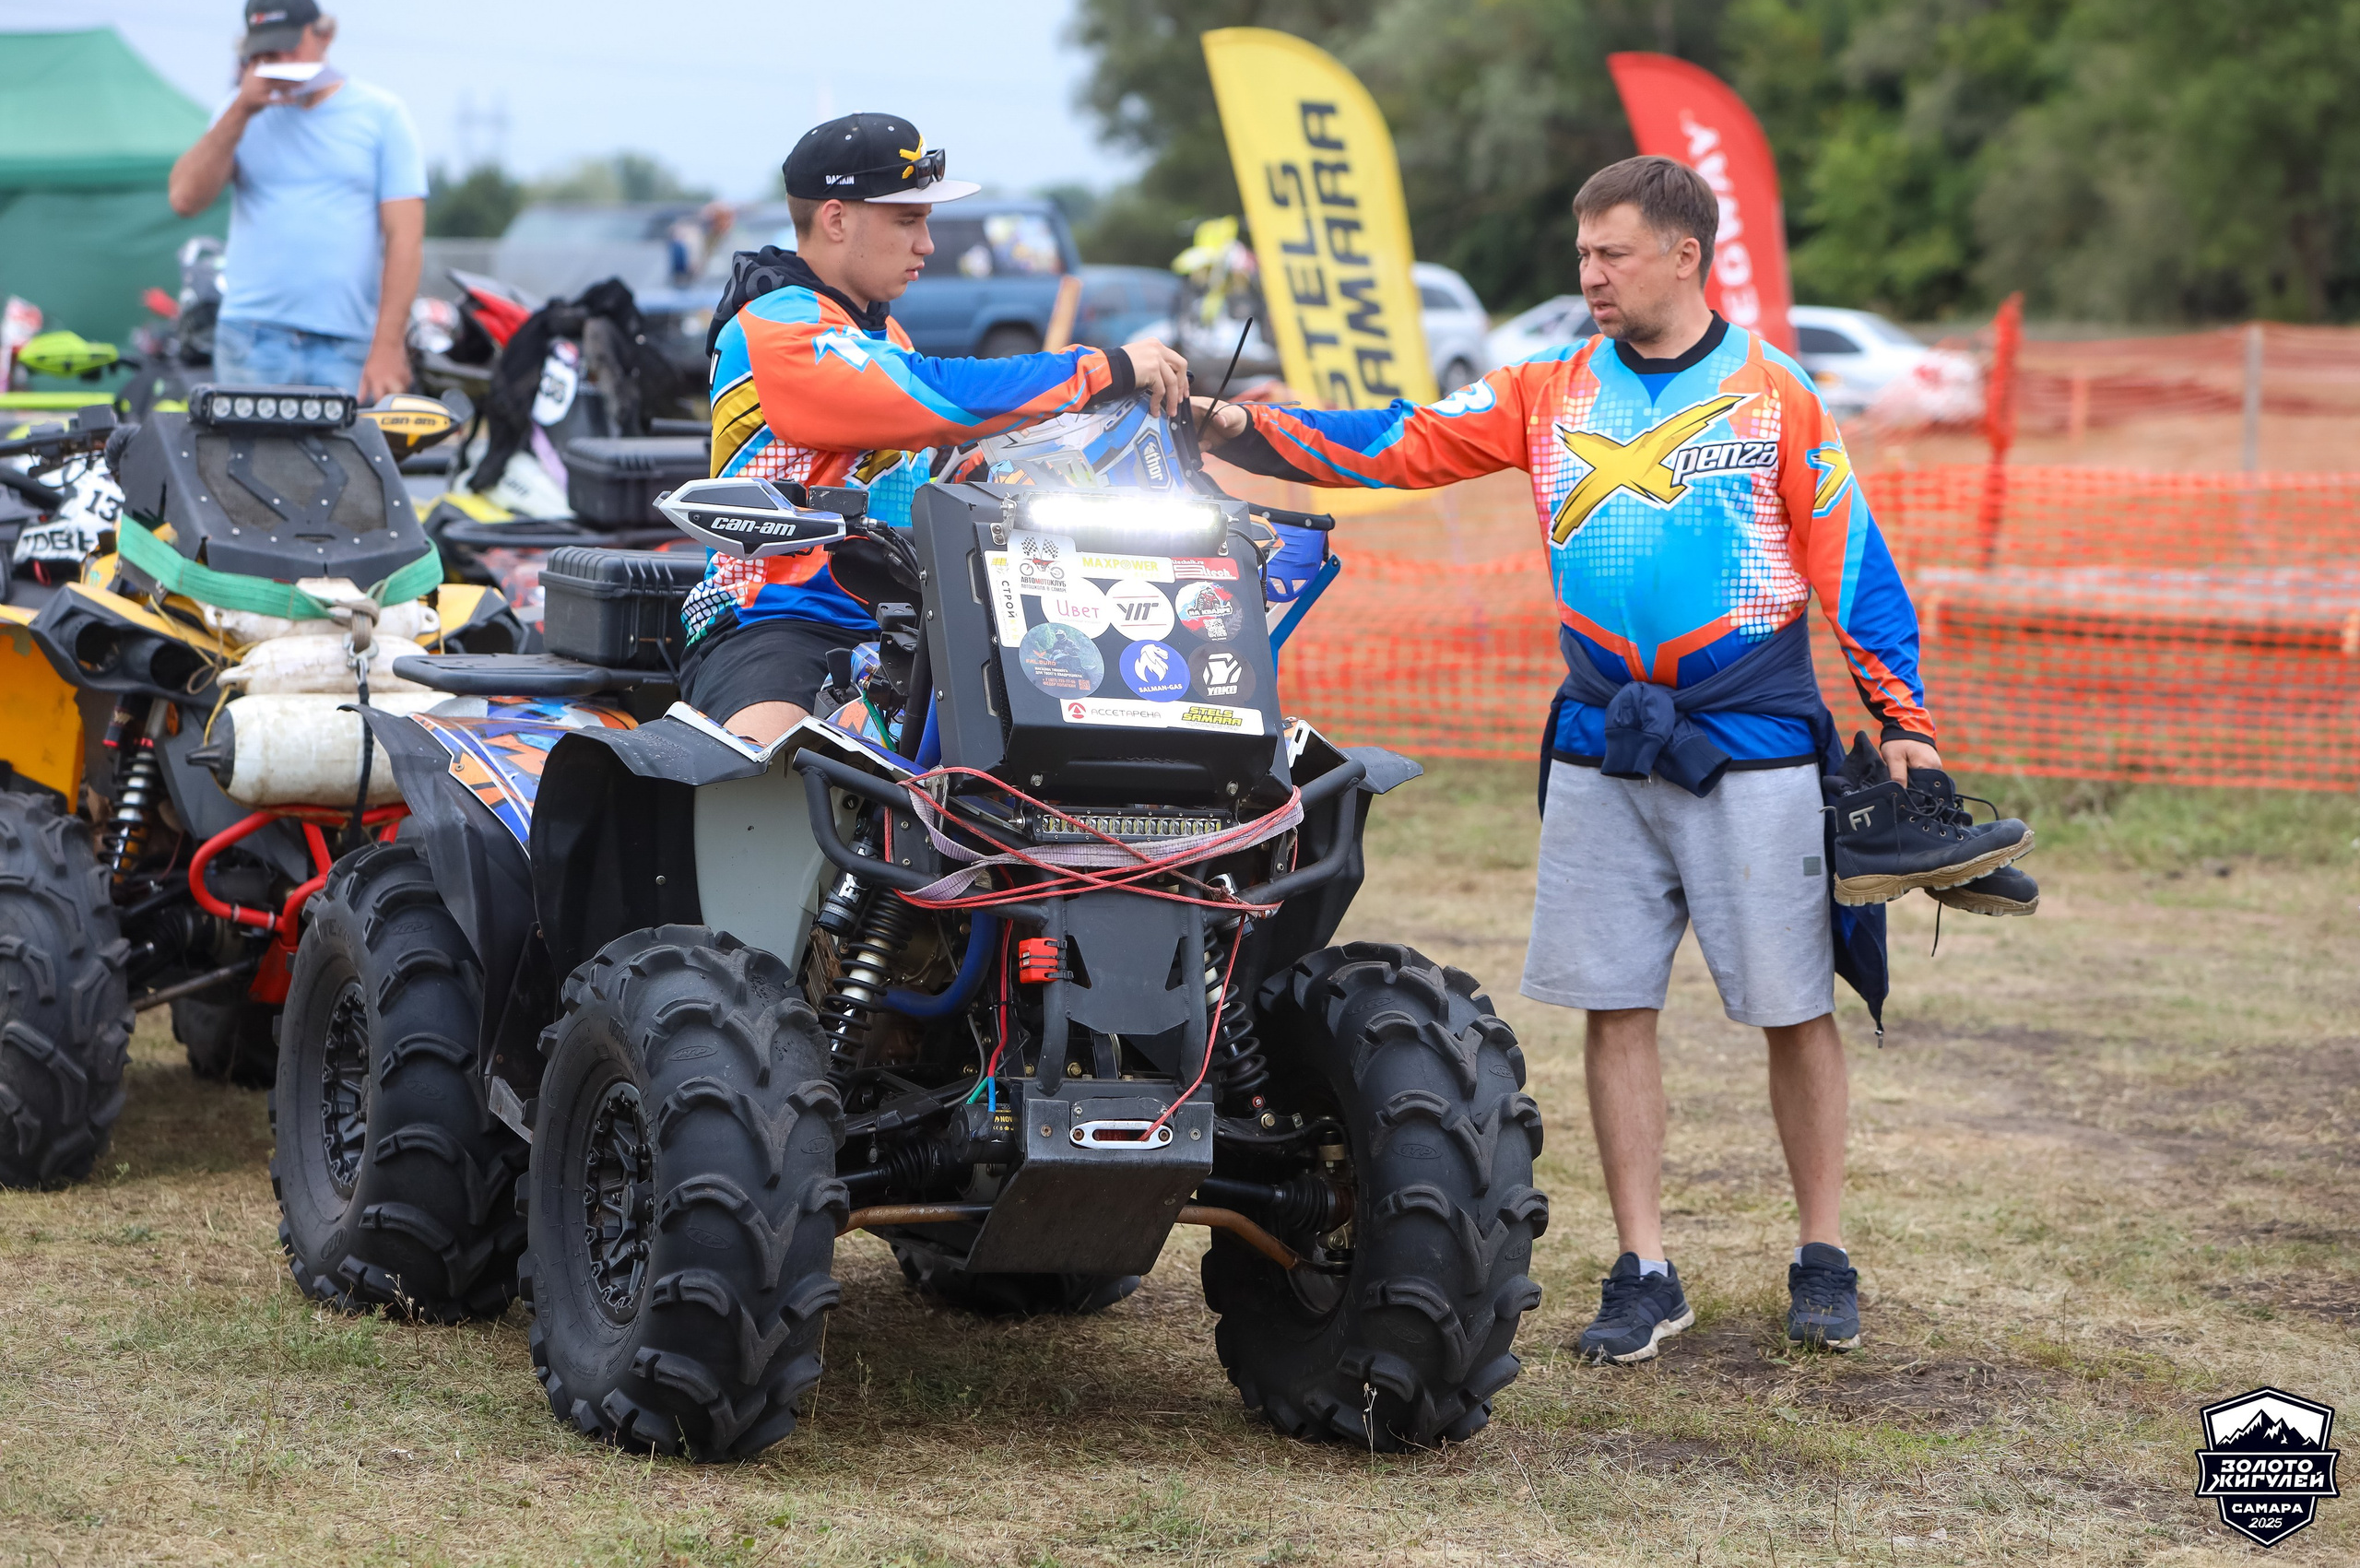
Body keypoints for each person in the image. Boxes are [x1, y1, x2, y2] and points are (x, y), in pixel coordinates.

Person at [1194, 156, 2030, 1363]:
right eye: (1582, 255)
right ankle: (1644, 1265)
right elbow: (1399, 443)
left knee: (1794, 1008)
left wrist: (1905, 720)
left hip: (1750, 745)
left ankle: (1823, 1251)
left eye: (1613, 254)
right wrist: (1242, 425)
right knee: (1614, 1004)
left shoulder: (1774, 393)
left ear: (1686, 257)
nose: (1589, 275)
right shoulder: (1548, 389)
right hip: (1597, 743)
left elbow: (1853, 562)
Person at [679, 112, 1189, 746]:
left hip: (902, 622)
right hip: (775, 623)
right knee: (775, 773)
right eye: (907, 220)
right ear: (836, 219)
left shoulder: (879, 332)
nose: (927, 244)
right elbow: (933, 395)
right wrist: (1102, 368)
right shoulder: (777, 326)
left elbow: (942, 457)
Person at [167, 0, 425, 403]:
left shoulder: (382, 115)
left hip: (347, 342)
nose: (278, 59)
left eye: (288, 45)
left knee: (346, 467)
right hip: (250, 336)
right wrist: (241, 109)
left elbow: (405, 240)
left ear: (324, 36)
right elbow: (184, 199)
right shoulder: (237, 114)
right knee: (244, 465)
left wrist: (388, 346)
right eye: (265, 51)